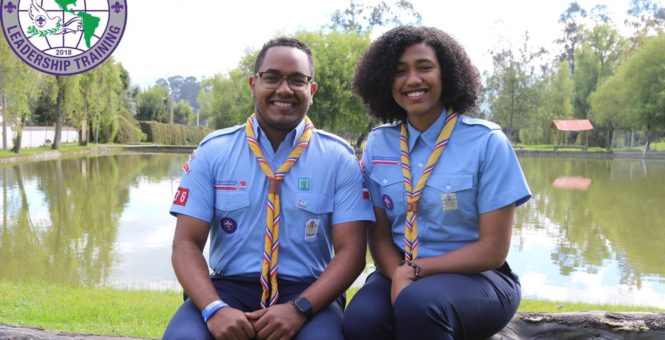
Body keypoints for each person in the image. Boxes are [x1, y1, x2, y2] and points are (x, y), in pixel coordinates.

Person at [163, 37, 374, 340]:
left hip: (308, 293)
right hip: (227, 288)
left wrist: (299, 308)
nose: (284, 89)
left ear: (311, 91)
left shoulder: (339, 158)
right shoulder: (213, 152)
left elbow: (352, 252)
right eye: (271, 77)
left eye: (297, 80)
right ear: (253, 84)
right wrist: (213, 308)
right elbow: (185, 244)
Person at [342, 26, 531, 340]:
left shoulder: (486, 142)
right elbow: (379, 235)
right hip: (398, 269)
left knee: (420, 304)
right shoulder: (379, 144)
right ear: (385, 82)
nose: (413, 79)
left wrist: (417, 271)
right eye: (399, 71)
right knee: (360, 320)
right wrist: (398, 273)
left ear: (447, 74)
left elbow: (493, 249)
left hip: (480, 277)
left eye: (425, 67)